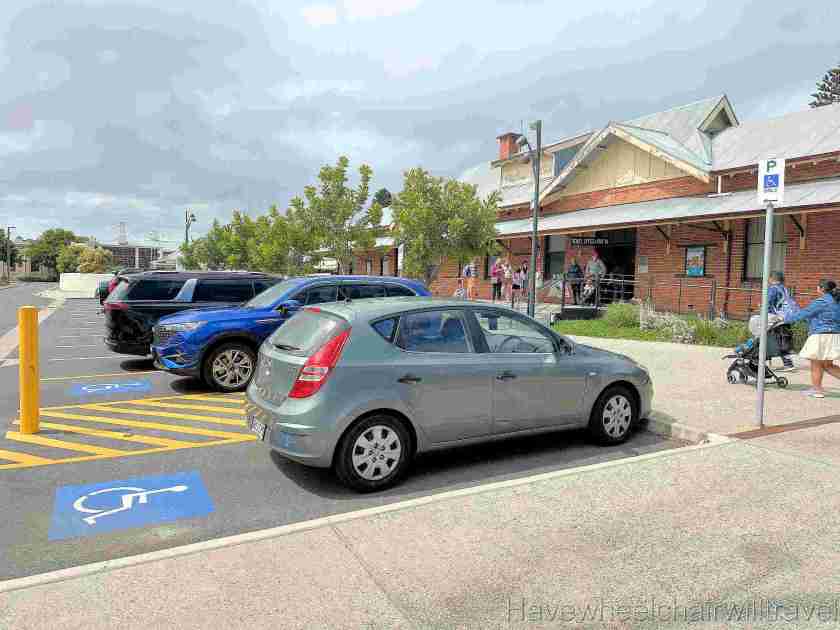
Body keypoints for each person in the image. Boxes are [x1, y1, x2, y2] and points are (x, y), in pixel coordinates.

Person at [783, 279, 840, 399]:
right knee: (828, 365)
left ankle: (817, 390)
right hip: (834, 335)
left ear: (822, 289)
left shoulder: (821, 302)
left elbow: (804, 313)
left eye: (818, 287)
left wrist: (784, 319)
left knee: (816, 364)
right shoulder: (837, 301)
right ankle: (817, 389)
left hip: (820, 335)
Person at [767, 271, 796, 371]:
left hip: (779, 318)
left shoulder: (773, 289)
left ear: (771, 278)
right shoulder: (784, 288)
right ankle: (788, 363)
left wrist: (765, 313)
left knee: (778, 340)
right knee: (784, 339)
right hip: (787, 317)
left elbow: (768, 303)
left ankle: (788, 364)